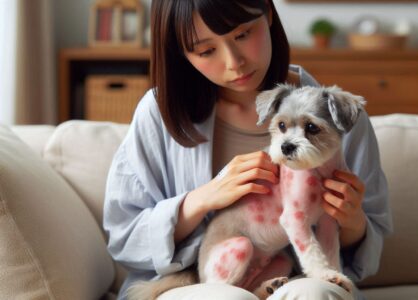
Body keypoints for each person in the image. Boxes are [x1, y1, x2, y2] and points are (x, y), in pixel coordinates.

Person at [103, 0, 393, 299]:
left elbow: (369, 250)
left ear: (267, 13)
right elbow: (124, 238)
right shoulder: (159, 113)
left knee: (314, 294)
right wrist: (202, 199)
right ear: (181, 52)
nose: (233, 62)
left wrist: (352, 218)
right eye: (205, 51)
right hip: (196, 283)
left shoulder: (337, 116)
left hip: (294, 278)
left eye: (242, 35)